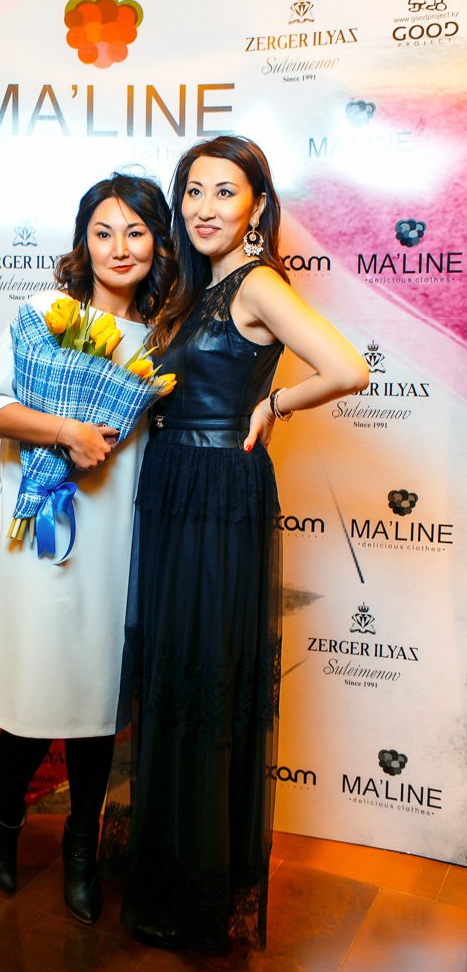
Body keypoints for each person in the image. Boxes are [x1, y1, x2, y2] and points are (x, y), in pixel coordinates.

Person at [108, 136, 369, 953]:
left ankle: (198, 891)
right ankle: (166, 867)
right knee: (174, 674)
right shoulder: (192, 289)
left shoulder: (256, 283)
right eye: (193, 190)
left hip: (221, 494)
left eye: (224, 191)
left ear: (256, 205)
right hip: (173, 489)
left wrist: (276, 403)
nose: (204, 206)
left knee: (206, 679)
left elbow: (349, 368)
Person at [0, 174, 176, 926]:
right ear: (83, 241)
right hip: (35, 532)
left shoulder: (163, 342)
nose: (120, 249)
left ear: (158, 243)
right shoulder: (44, 316)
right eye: (103, 232)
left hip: (117, 540)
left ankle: (83, 848)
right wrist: (67, 431)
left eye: (136, 233)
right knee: (32, 690)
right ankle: (5, 819)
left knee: (96, 694)